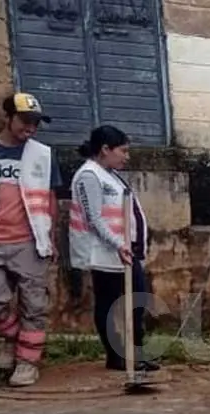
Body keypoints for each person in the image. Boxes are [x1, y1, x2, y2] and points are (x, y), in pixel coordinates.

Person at [0, 93, 63, 387]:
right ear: (7, 118)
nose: (31, 128)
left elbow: (50, 199)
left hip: (30, 240)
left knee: (34, 305)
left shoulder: (44, 155)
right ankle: (14, 338)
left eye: (36, 123)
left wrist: (51, 239)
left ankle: (27, 363)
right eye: (25, 121)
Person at [69, 125, 160, 374]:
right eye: (123, 150)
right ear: (105, 149)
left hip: (121, 251)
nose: (126, 156)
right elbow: (94, 218)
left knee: (137, 300)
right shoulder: (89, 175)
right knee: (112, 304)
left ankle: (134, 353)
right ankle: (118, 355)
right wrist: (118, 244)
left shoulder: (108, 173)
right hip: (105, 252)